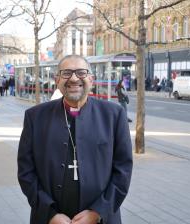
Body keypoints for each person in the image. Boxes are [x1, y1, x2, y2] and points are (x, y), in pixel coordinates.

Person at [18, 55, 133, 224]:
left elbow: (123, 170)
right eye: (66, 73)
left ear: (91, 79)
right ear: (57, 80)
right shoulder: (35, 117)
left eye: (81, 72)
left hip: (101, 219)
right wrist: (49, 214)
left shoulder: (113, 115)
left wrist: (98, 211)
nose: (73, 78)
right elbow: (26, 171)